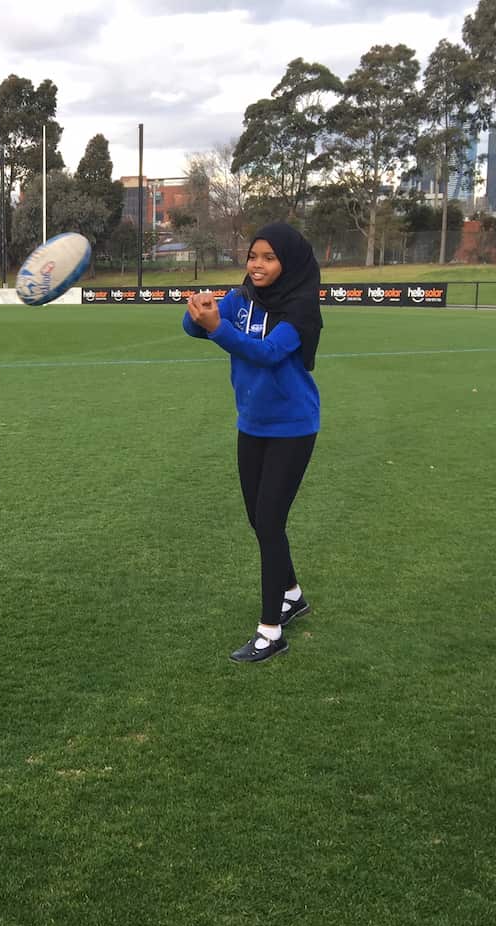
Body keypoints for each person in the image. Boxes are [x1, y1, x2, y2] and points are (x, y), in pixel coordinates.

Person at [182, 223, 322, 663]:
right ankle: (293, 595)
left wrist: (216, 328)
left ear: (289, 263)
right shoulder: (242, 297)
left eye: (268, 258)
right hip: (252, 423)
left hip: (293, 426)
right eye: (252, 256)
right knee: (260, 521)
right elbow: (194, 329)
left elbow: (265, 353)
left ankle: (271, 631)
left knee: (269, 522)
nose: (257, 265)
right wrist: (199, 311)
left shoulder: (300, 310)